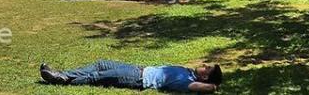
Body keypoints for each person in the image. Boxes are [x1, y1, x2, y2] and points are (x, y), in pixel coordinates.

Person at [38, 61, 222, 91]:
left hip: (138, 79)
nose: (204, 65)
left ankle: (60, 79)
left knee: (98, 76)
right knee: (101, 64)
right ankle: (63, 75)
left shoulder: (188, 82)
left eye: (207, 68)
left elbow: (209, 88)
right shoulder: (189, 72)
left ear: (205, 78)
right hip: (137, 69)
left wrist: (214, 86)